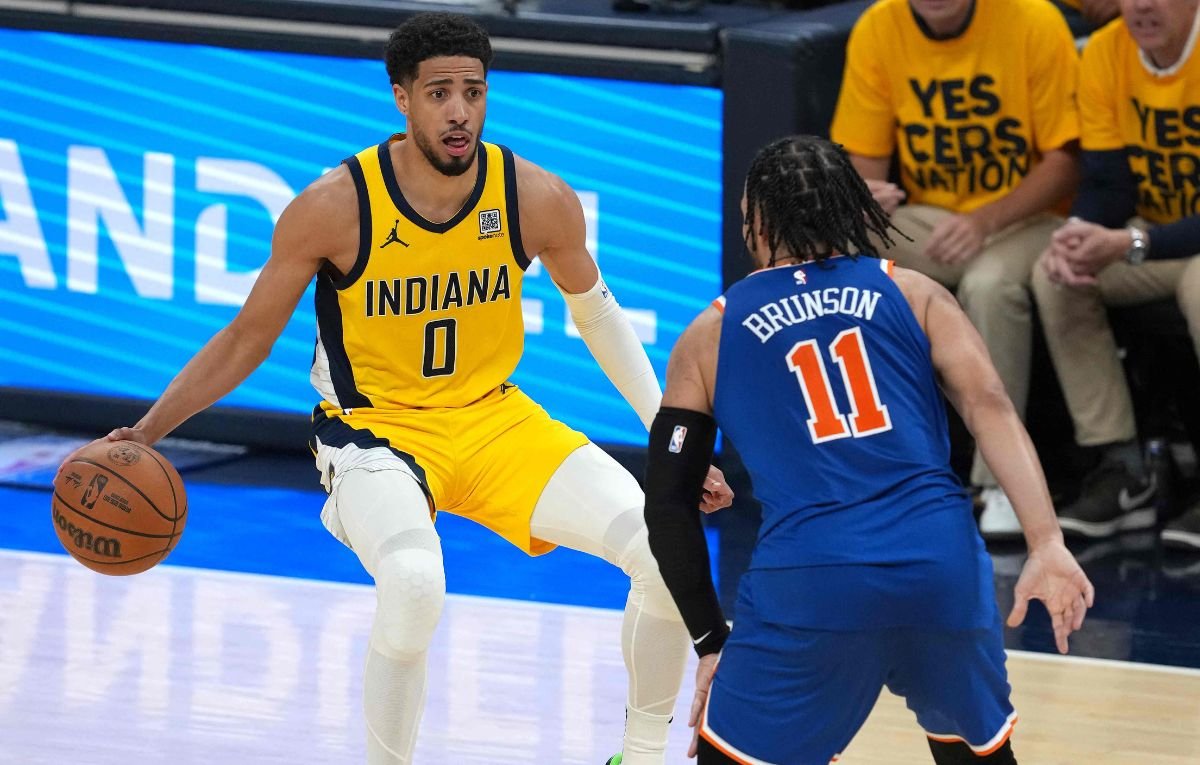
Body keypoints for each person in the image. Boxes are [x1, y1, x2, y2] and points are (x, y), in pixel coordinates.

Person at [59, 13, 733, 765]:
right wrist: (147, 431)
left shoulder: (533, 196)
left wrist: (669, 447)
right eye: (439, 92)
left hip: (493, 421)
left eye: (472, 92)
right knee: (414, 583)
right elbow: (247, 337)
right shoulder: (334, 206)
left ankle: (641, 757)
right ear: (402, 99)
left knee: (660, 544)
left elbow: (600, 316)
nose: (458, 111)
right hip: (373, 434)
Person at [642, 135, 1094, 764]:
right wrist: (1046, 542)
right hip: (939, 567)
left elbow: (666, 508)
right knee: (974, 753)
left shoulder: (710, 334)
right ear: (857, 211)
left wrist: (712, 638)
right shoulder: (914, 292)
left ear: (752, 221)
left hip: (811, 581)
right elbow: (992, 408)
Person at [830, 0, 1082, 539]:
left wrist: (984, 220)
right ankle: (861, 462)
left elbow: (1065, 163)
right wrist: (867, 197)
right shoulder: (880, 26)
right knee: (842, 239)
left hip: (1029, 218)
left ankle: (1001, 484)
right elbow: (864, 160)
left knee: (989, 284)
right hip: (937, 221)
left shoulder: (1033, 20)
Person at [1032, 0, 1200, 547]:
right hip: (1149, 240)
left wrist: (1133, 241)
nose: (1143, 5)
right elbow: (1108, 184)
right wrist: (1075, 234)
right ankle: (1126, 469)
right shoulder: (1106, 51)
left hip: (1160, 245)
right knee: (1055, 275)